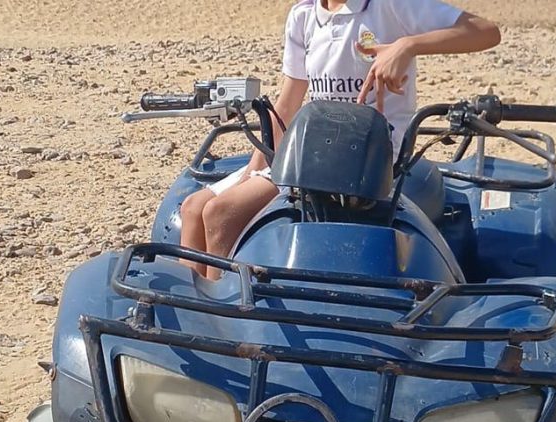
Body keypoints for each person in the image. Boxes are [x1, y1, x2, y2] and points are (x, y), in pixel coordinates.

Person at [181, 0, 501, 279]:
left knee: (220, 213)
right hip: (314, 150)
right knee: (194, 208)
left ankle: (218, 313)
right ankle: (186, 317)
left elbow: (486, 31)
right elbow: (289, 103)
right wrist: (254, 169)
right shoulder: (304, 15)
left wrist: (407, 46)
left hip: (369, 156)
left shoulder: (388, 6)